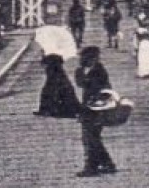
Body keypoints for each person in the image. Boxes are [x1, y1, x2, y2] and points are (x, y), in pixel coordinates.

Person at [73, 46, 118, 176]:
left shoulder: (99, 70)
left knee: (90, 137)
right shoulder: (82, 70)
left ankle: (91, 167)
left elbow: (104, 88)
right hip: (88, 107)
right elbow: (80, 83)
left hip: (99, 107)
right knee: (91, 138)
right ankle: (107, 164)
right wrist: (81, 73)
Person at [35, 52, 81, 118]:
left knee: (48, 93)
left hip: (62, 104)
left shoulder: (53, 73)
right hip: (63, 101)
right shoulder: (60, 74)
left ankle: (48, 110)